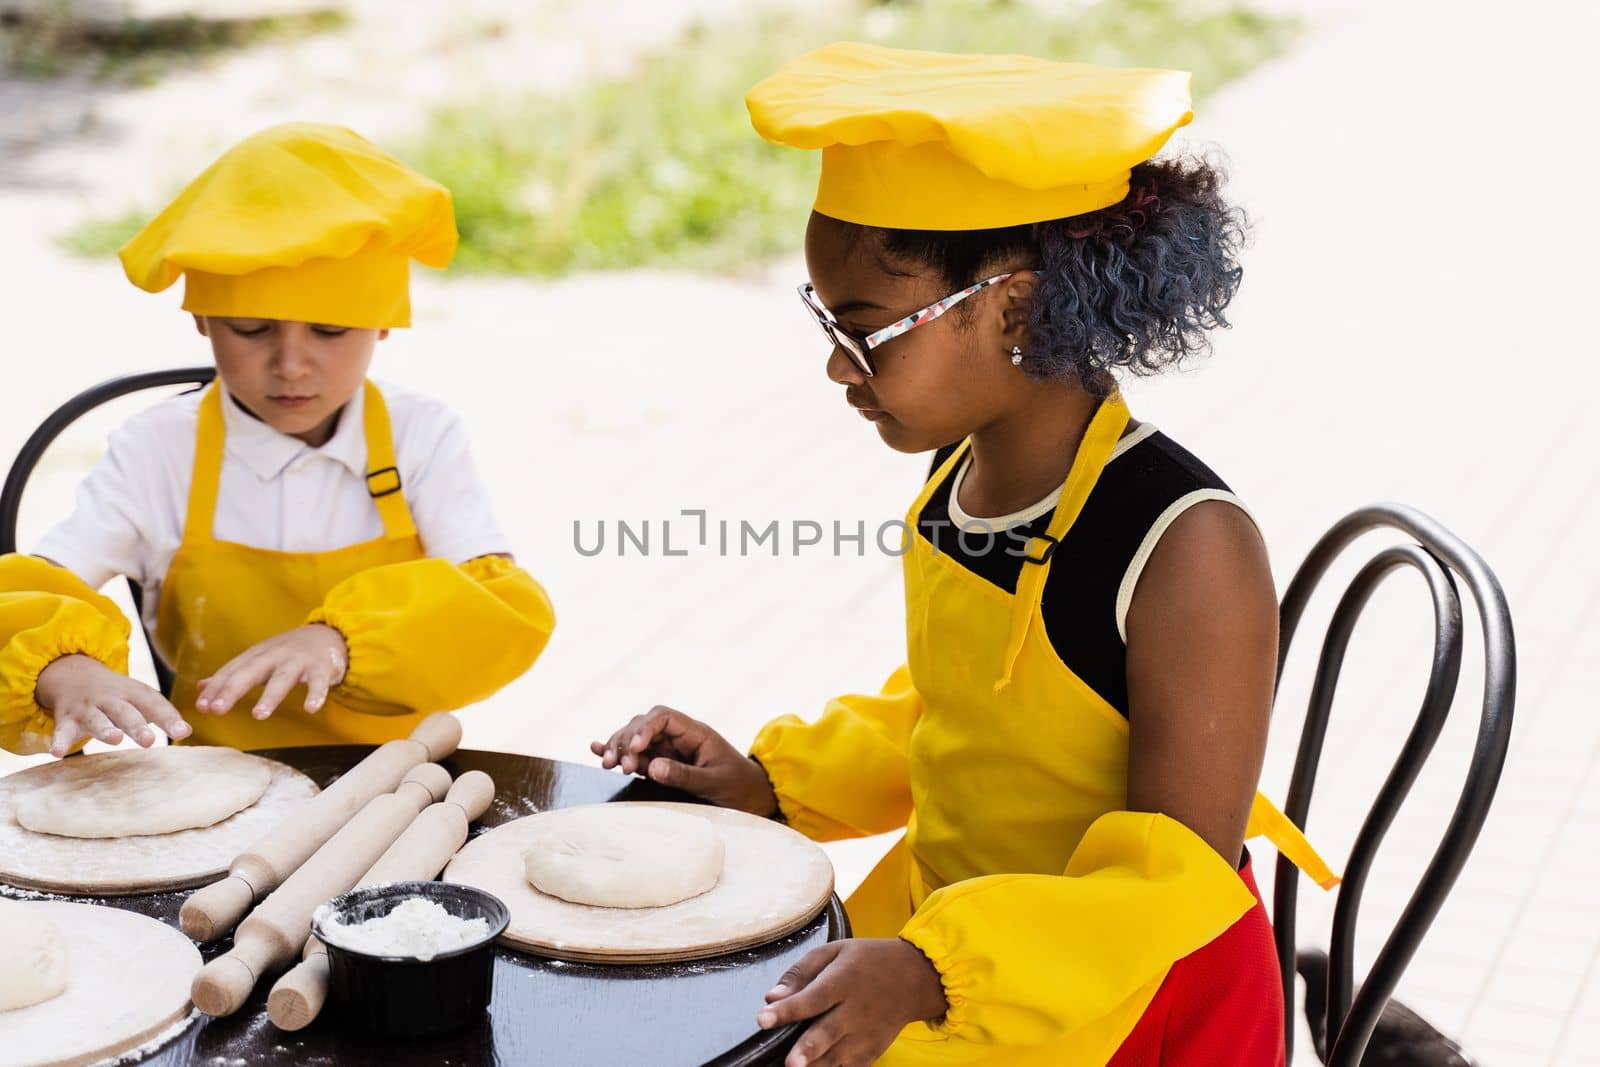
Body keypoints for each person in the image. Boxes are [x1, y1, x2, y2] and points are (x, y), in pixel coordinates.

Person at [593, 43, 1335, 1066]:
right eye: (825, 319)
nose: (832, 363)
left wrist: (936, 969)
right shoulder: (957, 476)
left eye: (863, 329)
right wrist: (771, 778)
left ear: (1013, 310)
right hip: (962, 925)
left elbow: (1176, 876)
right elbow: (957, 714)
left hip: (1112, 984)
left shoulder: (1185, 546)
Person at [0, 122, 555, 758]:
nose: (291, 365)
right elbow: (35, 585)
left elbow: (497, 606)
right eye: (252, 327)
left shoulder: (420, 436)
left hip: (395, 780)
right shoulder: (156, 450)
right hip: (211, 779)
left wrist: (339, 642)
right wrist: (62, 670)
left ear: (383, 326)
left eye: (329, 330)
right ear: (203, 320)